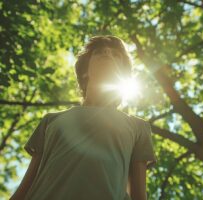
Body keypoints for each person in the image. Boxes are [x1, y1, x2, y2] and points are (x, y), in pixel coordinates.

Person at [10, 35, 158, 200]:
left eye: (116, 55)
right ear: (85, 72)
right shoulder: (51, 121)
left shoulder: (138, 127)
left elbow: (139, 195)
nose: (107, 53)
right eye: (100, 52)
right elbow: (25, 186)